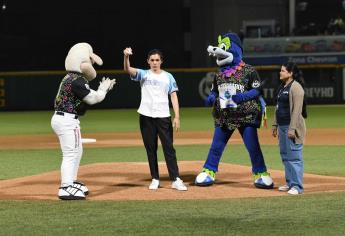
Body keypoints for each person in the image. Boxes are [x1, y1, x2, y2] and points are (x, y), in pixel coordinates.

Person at [195, 32, 274, 189]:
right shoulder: (219, 74)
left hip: (246, 115)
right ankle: (209, 171)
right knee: (216, 145)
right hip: (225, 116)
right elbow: (214, 92)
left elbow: (257, 91)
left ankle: (261, 174)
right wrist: (211, 98)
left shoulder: (249, 70)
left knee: (253, 146)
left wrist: (242, 97)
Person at [51, 43, 116, 200]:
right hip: (66, 120)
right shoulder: (77, 79)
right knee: (71, 153)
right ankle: (65, 187)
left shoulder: (70, 78)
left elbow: (83, 101)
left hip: (64, 118)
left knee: (77, 151)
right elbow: (92, 99)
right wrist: (103, 90)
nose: (92, 64)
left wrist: (100, 91)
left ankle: (71, 182)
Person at [123, 47, 187, 191]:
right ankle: (155, 178)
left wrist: (177, 116)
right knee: (150, 149)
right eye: (152, 60)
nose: (155, 62)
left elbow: (174, 96)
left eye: (157, 60)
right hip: (146, 116)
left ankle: (176, 179)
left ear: (161, 61)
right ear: (148, 61)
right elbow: (127, 69)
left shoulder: (168, 77)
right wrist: (126, 56)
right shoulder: (144, 74)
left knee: (169, 148)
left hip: (164, 117)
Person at [272, 62, 306, 195]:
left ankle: (297, 186)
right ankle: (290, 183)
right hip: (282, 127)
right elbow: (278, 108)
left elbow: (297, 111)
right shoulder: (282, 87)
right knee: (285, 156)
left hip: (292, 128)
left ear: (291, 73)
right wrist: (275, 125)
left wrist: (292, 129)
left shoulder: (296, 87)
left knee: (294, 157)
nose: (280, 73)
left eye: (283, 71)